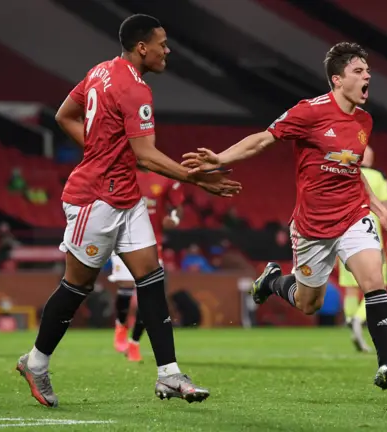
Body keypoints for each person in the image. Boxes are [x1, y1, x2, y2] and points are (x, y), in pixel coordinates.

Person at [15, 14, 241, 407]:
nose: (167, 50)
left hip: (125, 196)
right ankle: (35, 361)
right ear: (142, 47)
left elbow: (64, 115)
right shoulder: (136, 91)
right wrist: (197, 179)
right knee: (77, 287)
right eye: (162, 43)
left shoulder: (100, 71)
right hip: (94, 199)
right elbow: (147, 156)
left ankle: (168, 374)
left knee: (151, 277)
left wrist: (100, 147)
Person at [183, 42, 387, 390]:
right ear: (337, 79)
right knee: (308, 303)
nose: (367, 77)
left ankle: (386, 364)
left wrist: (379, 208)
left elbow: (353, 168)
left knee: (374, 281)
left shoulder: (365, 121)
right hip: (313, 226)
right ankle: (272, 280)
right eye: (359, 72)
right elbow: (262, 140)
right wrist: (220, 159)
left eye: (368, 71)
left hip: (352, 215)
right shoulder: (309, 112)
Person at [111, 168, 185, 362]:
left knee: (150, 295)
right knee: (126, 287)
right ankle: (121, 325)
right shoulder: (122, 173)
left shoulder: (164, 178)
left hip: (152, 242)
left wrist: (174, 219)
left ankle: (134, 343)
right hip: (122, 238)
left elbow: (178, 206)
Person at [337, 145, 387, 352]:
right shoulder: (378, 177)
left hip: (343, 232)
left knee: (351, 288)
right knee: (379, 285)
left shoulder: (343, 172)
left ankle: (349, 318)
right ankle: (357, 319)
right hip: (370, 236)